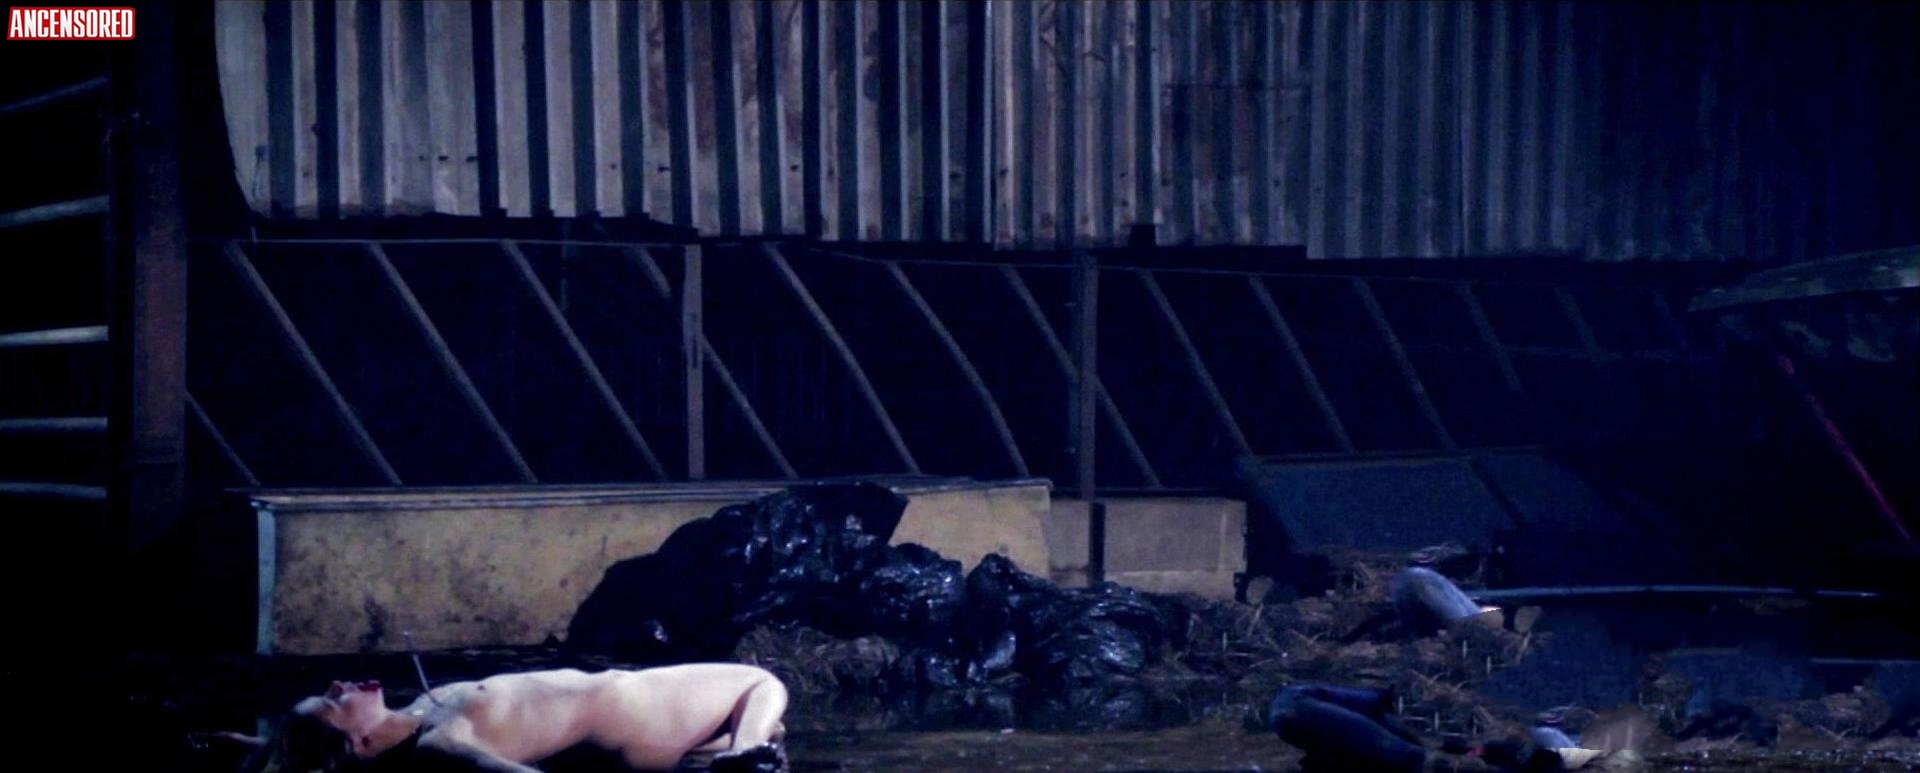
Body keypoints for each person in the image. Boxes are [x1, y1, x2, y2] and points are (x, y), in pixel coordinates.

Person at [234, 663, 789, 772]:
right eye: (333, 702)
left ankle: (734, 747)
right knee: (759, 681)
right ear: (360, 743)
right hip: (640, 716)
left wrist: (249, 745)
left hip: (635, 700)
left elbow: (300, 753)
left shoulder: (418, 712)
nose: (338, 686)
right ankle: (745, 757)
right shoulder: (441, 741)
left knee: (766, 717)